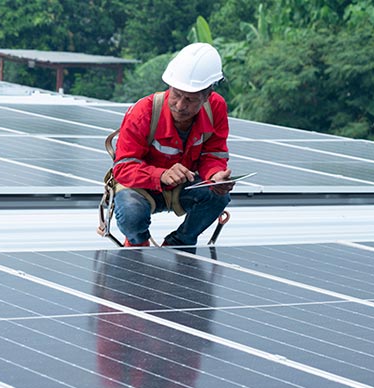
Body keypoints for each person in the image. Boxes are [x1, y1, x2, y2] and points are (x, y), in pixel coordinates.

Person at [112, 43, 232, 247]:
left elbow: (214, 153)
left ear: (207, 95)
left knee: (218, 197)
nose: (180, 105)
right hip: (142, 187)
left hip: (184, 186)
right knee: (131, 213)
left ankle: (180, 243)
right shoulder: (143, 112)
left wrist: (215, 176)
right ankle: (137, 243)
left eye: (190, 99)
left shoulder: (216, 108)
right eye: (176, 94)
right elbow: (123, 168)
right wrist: (160, 175)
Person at [92, 248, 217, 387]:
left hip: (128, 300)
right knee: (195, 300)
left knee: (121, 282)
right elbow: (193, 340)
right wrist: (163, 334)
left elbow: (110, 327)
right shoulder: (182, 382)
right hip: (172, 306)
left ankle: (133, 241)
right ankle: (183, 246)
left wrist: (147, 329)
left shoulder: (117, 380)